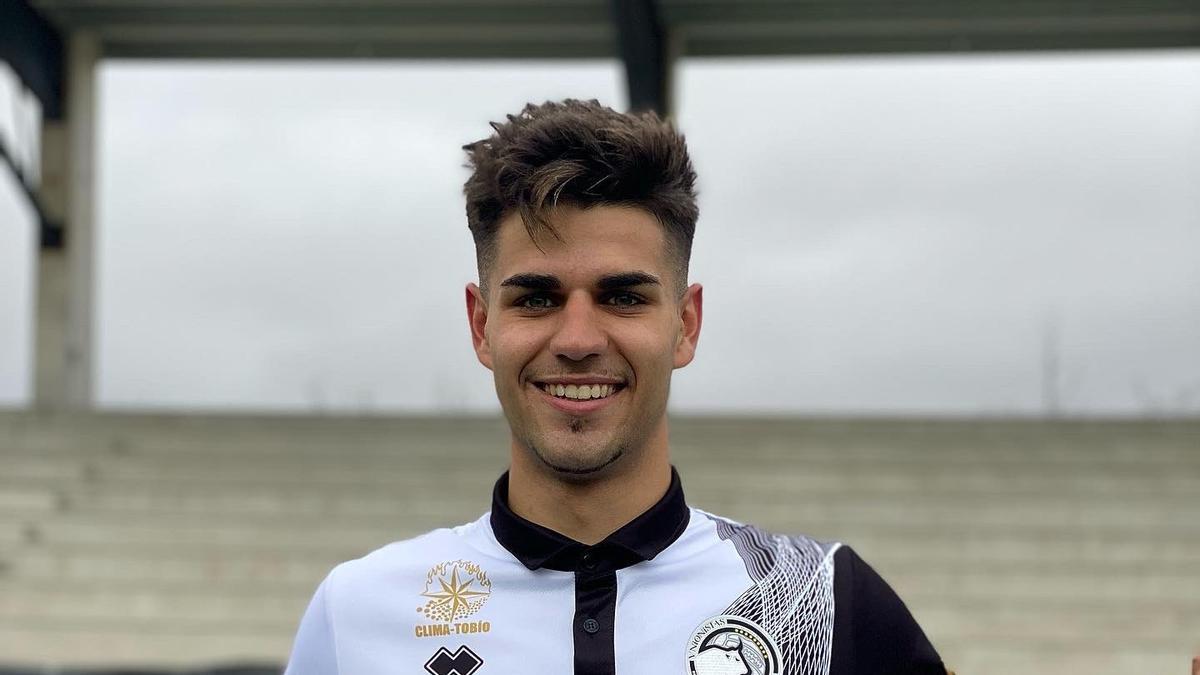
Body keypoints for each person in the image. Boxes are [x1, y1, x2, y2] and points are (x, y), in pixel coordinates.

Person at [283, 98, 947, 675]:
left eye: (623, 296)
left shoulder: (820, 603)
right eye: (537, 299)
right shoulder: (358, 611)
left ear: (685, 324)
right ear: (482, 326)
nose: (577, 339)